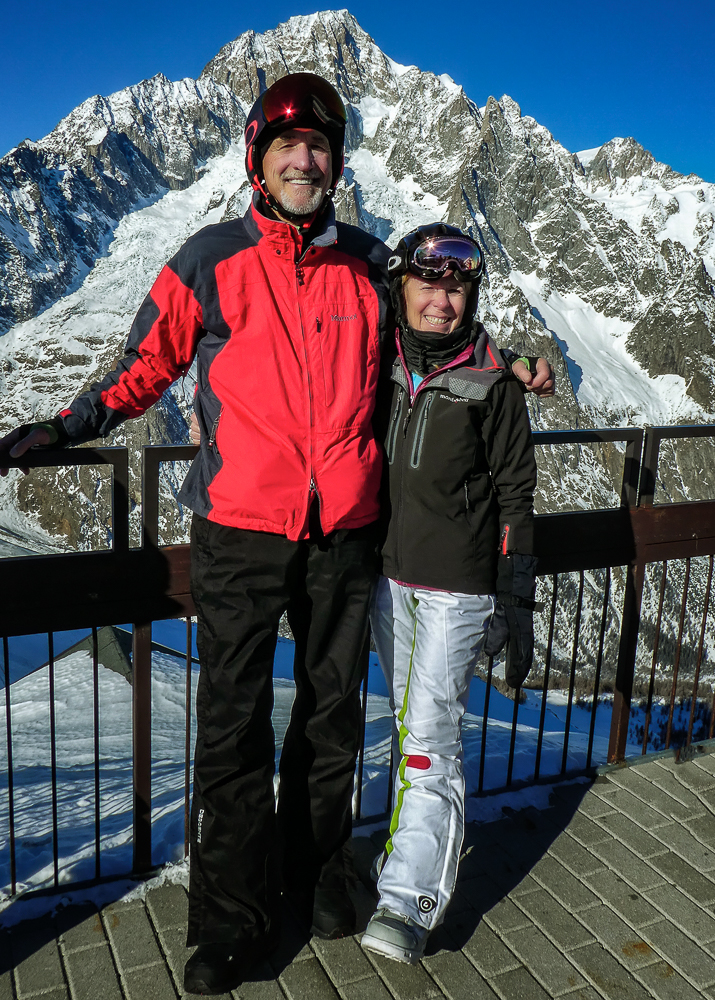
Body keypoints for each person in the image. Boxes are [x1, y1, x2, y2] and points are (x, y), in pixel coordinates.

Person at [0, 74, 552, 995]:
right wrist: (65, 427)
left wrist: (516, 362)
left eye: (320, 147)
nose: (304, 161)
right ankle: (231, 920)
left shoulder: (369, 264)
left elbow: (440, 335)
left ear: (336, 164)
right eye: (287, 146)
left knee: (332, 719)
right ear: (258, 158)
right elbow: (144, 366)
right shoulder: (208, 259)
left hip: (344, 535)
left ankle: (320, 879)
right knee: (232, 728)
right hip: (239, 532)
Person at [360, 224, 538, 965]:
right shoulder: (377, 359)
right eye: (428, 284)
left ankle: (409, 902)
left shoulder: (492, 381)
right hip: (385, 576)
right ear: (400, 287)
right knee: (409, 725)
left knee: (429, 742)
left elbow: (516, 493)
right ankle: (405, 855)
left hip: (456, 587)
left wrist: (514, 598)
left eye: (457, 288)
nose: (442, 300)